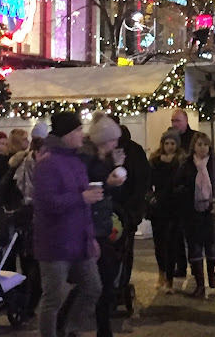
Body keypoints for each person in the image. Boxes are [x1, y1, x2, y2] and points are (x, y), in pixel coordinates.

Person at [33, 112, 102, 337]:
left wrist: (90, 237)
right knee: (52, 298)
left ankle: (72, 330)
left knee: (93, 288)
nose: (82, 133)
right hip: (55, 241)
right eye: (78, 130)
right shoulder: (47, 162)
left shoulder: (75, 160)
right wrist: (81, 198)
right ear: (66, 134)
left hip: (79, 240)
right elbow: (47, 203)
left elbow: (83, 205)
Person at [0, 121, 48, 317]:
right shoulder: (20, 162)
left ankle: (16, 301)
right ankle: (23, 303)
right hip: (23, 217)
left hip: (15, 217)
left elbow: (2, 190)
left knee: (14, 260)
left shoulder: (16, 162)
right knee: (27, 261)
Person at [79, 112, 126, 337]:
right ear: (102, 140)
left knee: (104, 280)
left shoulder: (100, 159)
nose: (115, 144)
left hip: (102, 225)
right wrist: (110, 182)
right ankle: (97, 328)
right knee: (100, 282)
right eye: (113, 140)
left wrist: (115, 169)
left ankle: (102, 328)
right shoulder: (88, 160)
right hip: (93, 228)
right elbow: (95, 191)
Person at [175, 132, 215, 298]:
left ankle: (211, 272)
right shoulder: (186, 164)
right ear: (194, 146)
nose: (203, 148)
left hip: (212, 210)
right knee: (195, 247)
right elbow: (177, 184)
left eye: (206, 144)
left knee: (211, 245)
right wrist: (185, 192)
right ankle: (200, 284)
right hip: (192, 211)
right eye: (199, 144)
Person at [113, 119, 150, 291]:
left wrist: (133, 210)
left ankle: (121, 286)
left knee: (124, 250)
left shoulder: (133, 151)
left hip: (126, 210)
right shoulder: (106, 149)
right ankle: (118, 286)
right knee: (121, 251)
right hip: (119, 210)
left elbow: (141, 182)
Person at [149, 128, 183, 293]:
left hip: (174, 206)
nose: (170, 146)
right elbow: (148, 182)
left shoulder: (180, 161)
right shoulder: (155, 161)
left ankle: (169, 279)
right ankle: (161, 273)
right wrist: (151, 197)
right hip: (159, 206)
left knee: (172, 243)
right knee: (159, 242)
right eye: (167, 143)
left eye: (173, 143)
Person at [170, 109, 197, 277]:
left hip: (190, 192)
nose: (174, 124)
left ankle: (195, 265)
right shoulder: (171, 138)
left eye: (177, 120)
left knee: (191, 234)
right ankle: (181, 266)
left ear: (186, 121)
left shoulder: (194, 138)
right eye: (173, 120)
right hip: (175, 194)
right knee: (176, 234)